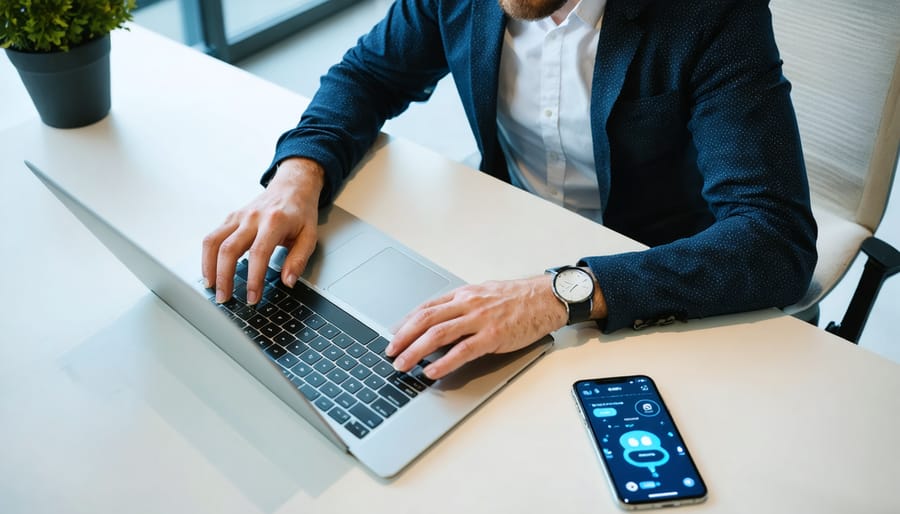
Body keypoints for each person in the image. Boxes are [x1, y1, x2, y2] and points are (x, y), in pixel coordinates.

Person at [202, 0, 817, 382]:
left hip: (644, 274)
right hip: (499, 239)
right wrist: (298, 175)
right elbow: (367, 77)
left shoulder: (713, 12)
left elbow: (774, 239)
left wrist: (555, 295)